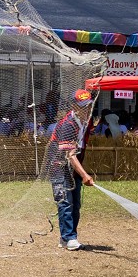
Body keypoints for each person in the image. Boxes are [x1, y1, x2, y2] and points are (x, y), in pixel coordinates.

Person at [44, 88, 95, 250]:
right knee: (65, 202)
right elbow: (70, 155)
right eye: (83, 106)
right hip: (59, 168)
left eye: (89, 105)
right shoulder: (68, 124)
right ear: (74, 106)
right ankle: (69, 238)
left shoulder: (85, 123)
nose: (87, 109)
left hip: (72, 170)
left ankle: (68, 237)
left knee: (76, 205)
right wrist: (85, 175)